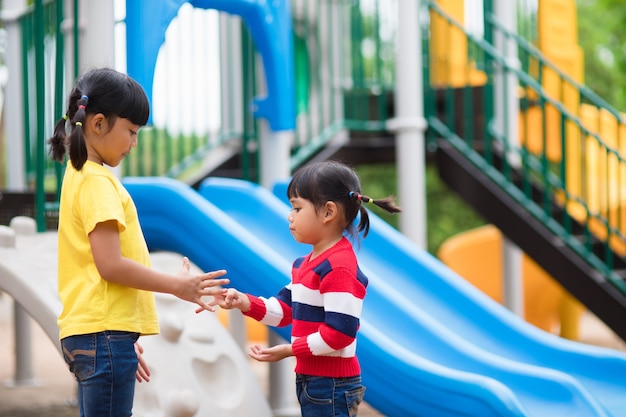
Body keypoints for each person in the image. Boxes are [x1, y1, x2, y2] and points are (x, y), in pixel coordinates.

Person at [48, 67, 230, 417]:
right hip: (103, 335)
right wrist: (177, 286)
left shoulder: (78, 175)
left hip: (95, 333)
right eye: (131, 132)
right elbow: (110, 264)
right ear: (98, 123)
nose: (134, 143)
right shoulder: (98, 182)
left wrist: (119, 339)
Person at [216, 160, 401, 417]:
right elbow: (283, 310)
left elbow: (340, 333)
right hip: (314, 380)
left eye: (297, 208)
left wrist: (290, 350)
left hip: (332, 384)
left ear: (328, 212)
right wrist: (244, 302)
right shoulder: (306, 264)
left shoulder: (339, 266)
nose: (290, 216)